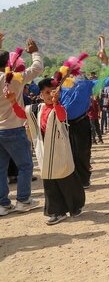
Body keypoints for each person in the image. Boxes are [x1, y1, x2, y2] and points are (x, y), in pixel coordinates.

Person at [7, 78, 85, 224]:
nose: (50, 95)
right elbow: (22, 114)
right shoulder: (36, 109)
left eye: (53, 92)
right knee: (50, 183)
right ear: (41, 94)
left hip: (60, 151)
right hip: (45, 152)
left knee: (66, 179)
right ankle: (57, 212)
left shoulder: (60, 107)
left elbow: (61, 117)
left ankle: (75, 206)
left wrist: (56, 103)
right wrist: (12, 101)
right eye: (47, 92)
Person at [0, 37, 43, 216]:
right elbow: (37, 69)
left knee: (0, 168)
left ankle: (3, 204)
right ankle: (23, 200)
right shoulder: (14, 79)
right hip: (14, 128)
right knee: (25, 165)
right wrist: (34, 52)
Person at [60, 77, 97, 189]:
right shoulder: (60, 85)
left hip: (81, 123)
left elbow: (107, 80)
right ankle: (72, 180)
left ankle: (84, 179)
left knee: (82, 152)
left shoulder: (86, 84)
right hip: (64, 124)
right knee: (68, 152)